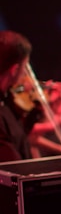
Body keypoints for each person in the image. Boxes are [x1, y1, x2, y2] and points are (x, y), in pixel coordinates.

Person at [0, 30, 33, 162]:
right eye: (24, 67)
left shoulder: (6, 101)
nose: (25, 74)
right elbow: (15, 164)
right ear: (14, 70)